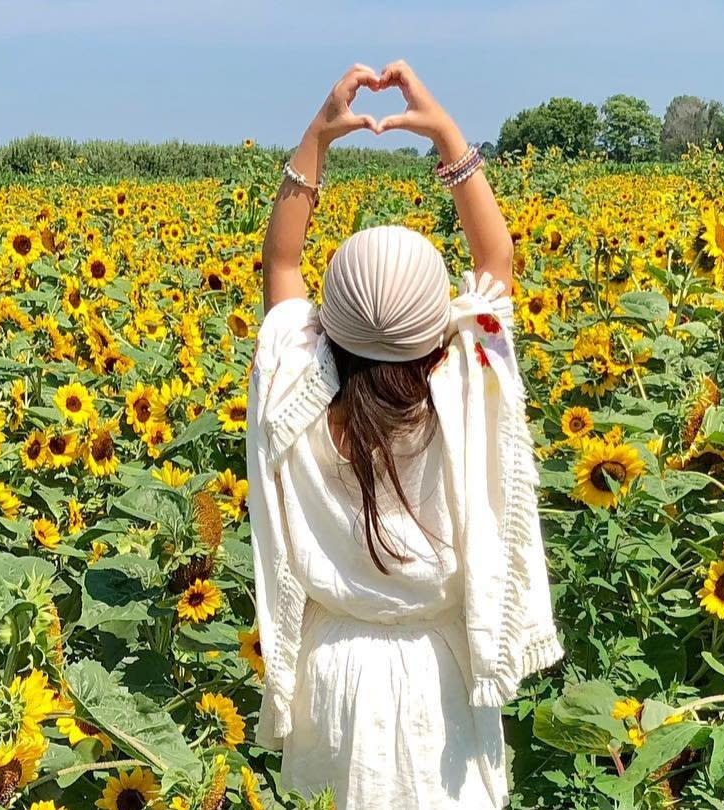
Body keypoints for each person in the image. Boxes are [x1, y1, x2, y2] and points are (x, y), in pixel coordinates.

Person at [247, 61, 562, 810]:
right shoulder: (467, 383)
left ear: (330, 324)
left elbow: (281, 261)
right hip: (442, 674)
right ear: (439, 331)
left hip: (332, 672)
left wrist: (316, 141)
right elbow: (496, 261)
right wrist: (449, 135)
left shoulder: (296, 385)